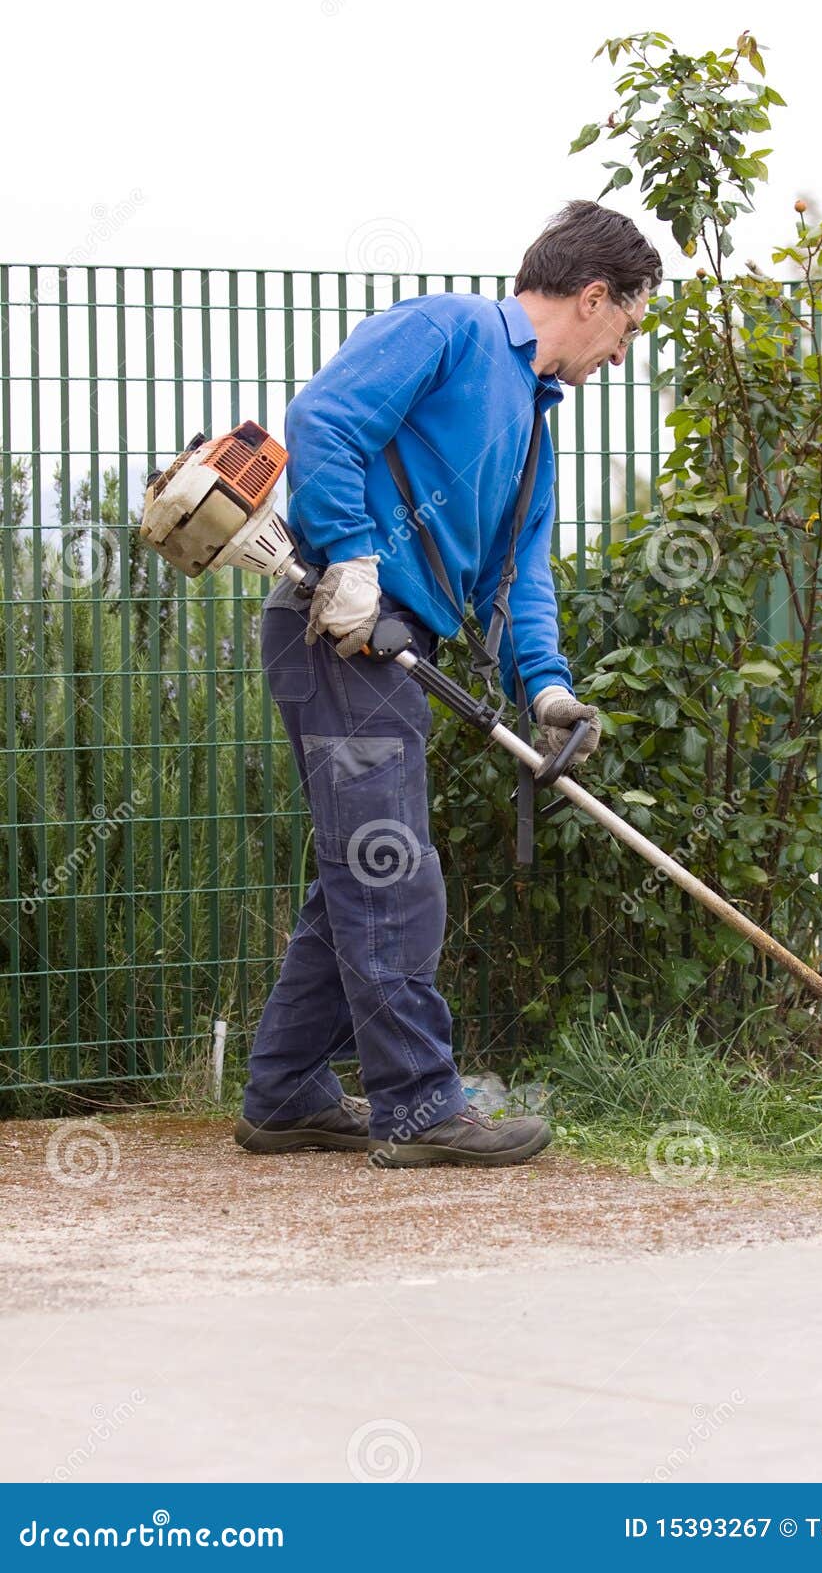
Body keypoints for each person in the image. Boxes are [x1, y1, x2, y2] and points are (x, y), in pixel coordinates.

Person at [235, 200, 662, 1167]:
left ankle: (286, 1092)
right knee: (392, 867)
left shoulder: (533, 427)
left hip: (395, 643)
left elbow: (524, 575)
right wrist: (351, 562)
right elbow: (322, 423)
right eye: (629, 328)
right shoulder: (450, 330)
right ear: (593, 298)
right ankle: (421, 1106)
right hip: (335, 632)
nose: (623, 354)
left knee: (363, 868)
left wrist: (547, 689)